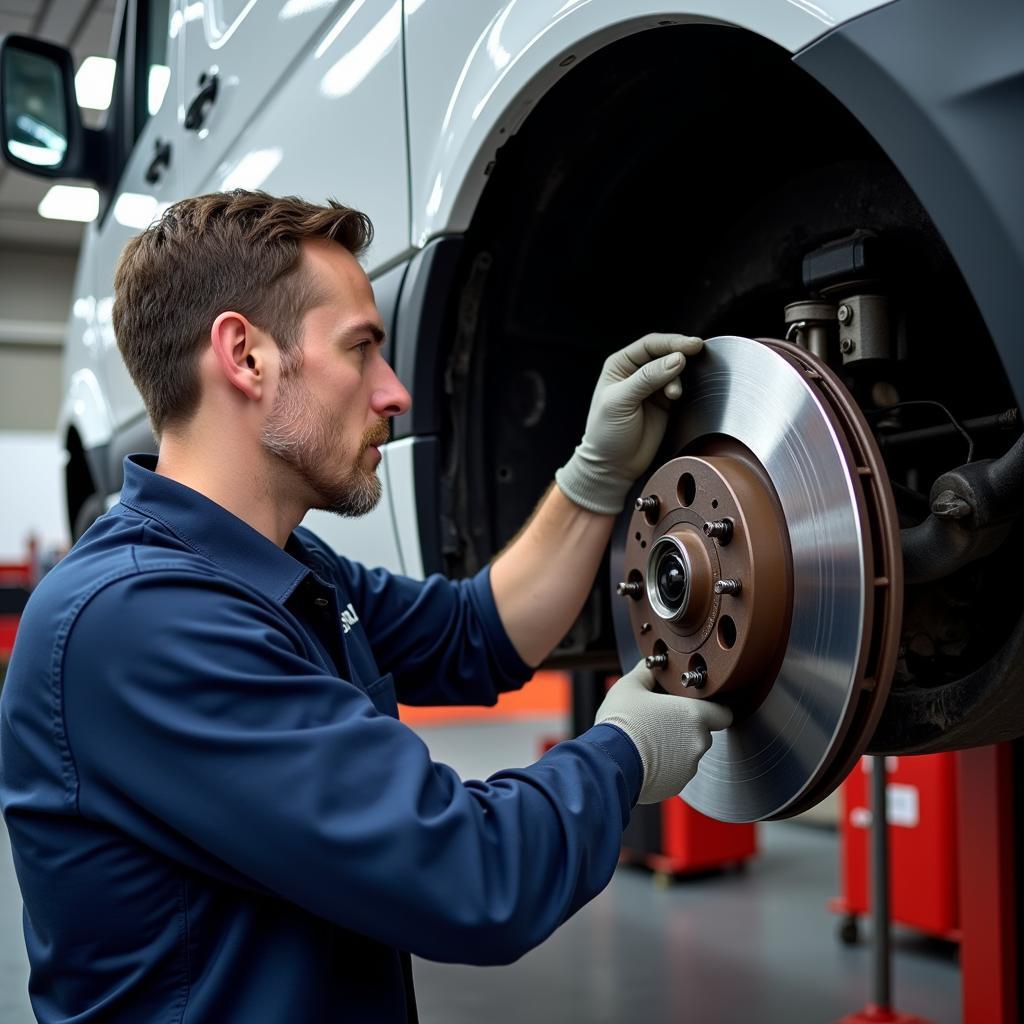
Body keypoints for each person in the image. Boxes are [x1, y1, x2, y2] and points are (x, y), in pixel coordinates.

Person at [0, 191, 732, 1023]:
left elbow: (477, 633)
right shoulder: (134, 621)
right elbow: (472, 877)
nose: (395, 394)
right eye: (362, 349)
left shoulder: (283, 569)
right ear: (245, 356)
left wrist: (591, 477)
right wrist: (624, 753)